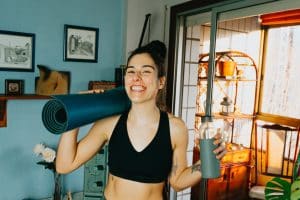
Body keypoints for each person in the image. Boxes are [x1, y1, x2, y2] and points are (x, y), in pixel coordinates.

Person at [56, 40, 226, 200]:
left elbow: (178, 181)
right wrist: (75, 112)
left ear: (161, 82)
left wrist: (202, 165)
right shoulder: (109, 123)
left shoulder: (175, 128)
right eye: (131, 71)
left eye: (146, 71)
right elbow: (64, 166)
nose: (136, 77)